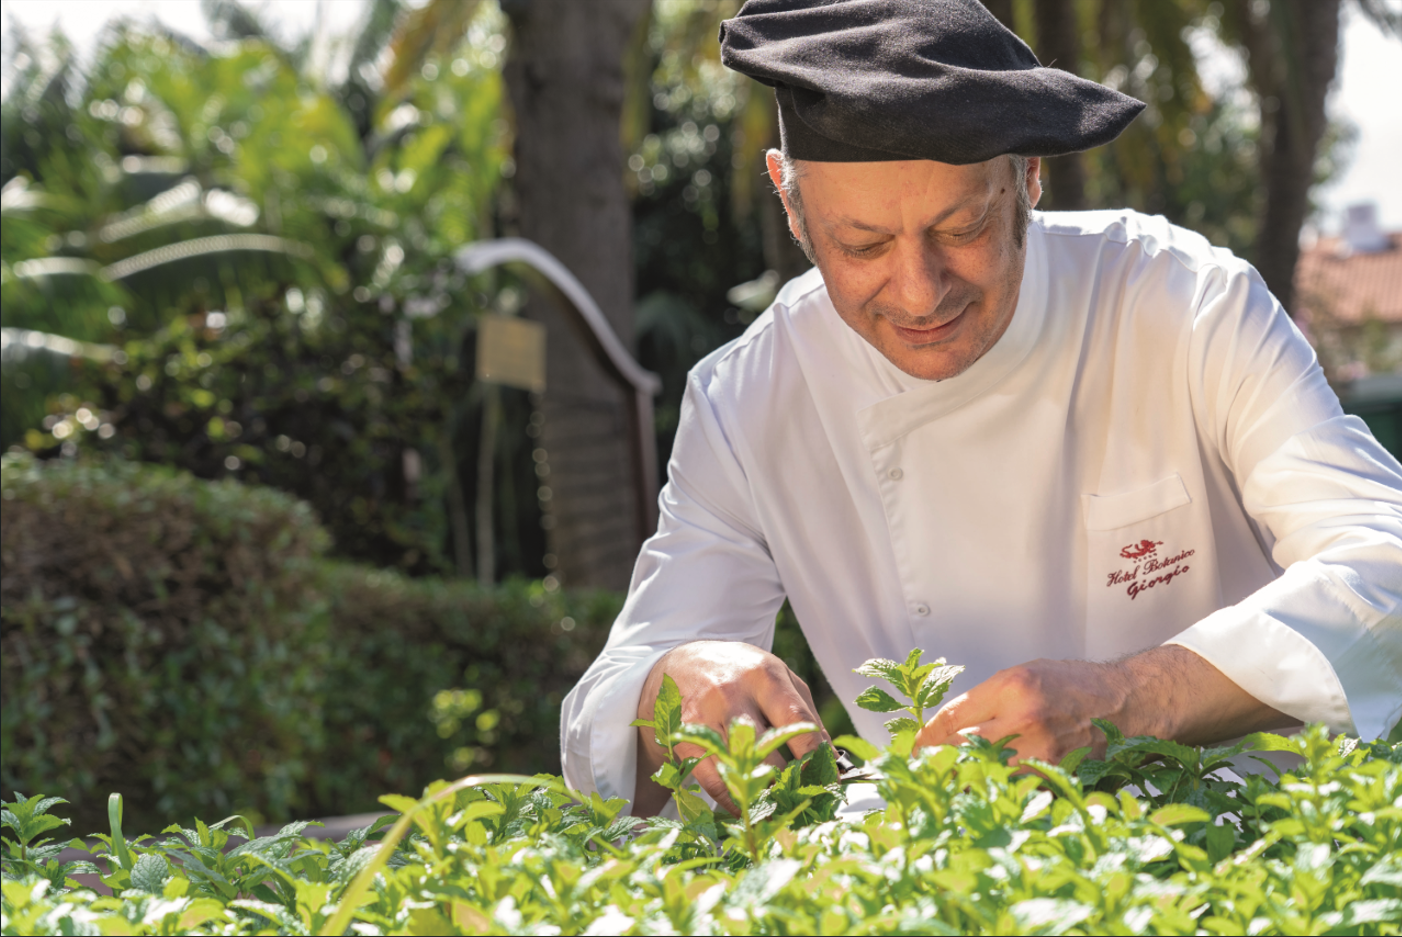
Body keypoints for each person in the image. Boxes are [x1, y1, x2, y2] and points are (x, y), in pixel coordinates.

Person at [561, 0, 1402, 817]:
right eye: (862, 245)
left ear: (1028, 176)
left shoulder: (1187, 305)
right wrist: (672, 684)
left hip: (1250, 851)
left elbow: (1385, 570)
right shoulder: (749, 401)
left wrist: (1132, 698)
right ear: (789, 199)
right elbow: (606, 709)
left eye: (960, 229)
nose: (919, 292)